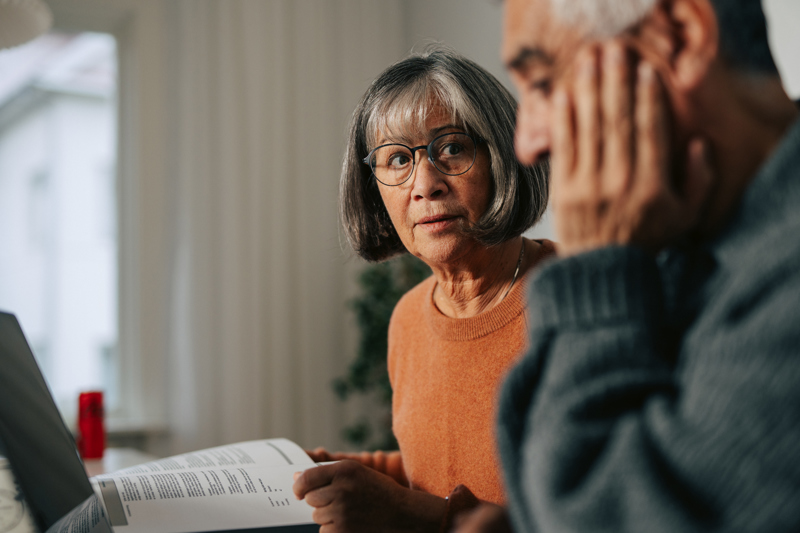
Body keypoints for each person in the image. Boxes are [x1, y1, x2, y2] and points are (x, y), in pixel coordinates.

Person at [457, 0, 800, 531]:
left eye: (544, 82)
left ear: (679, 38)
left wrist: (596, 265)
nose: (526, 143)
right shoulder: (690, 242)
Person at [291, 48, 553, 532]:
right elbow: (430, 471)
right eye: (395, 159)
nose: (424, 185)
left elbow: (607, 512)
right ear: (375, 191)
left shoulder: (580, 302)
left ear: (503, 155)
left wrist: (409, 514)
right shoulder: (408, 317)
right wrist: (317, 467)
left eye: (451, 148)